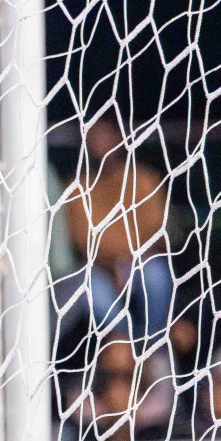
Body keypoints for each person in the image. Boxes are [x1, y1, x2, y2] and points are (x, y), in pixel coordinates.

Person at [59, 115, 174, 345]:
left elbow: (157, 230)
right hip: (100, 268)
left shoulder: (143, 179)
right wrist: (111, 267)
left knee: (157, 277)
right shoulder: (77, 189)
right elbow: (82, 240)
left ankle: (154, 345)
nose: (101, 143)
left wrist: (129, 261)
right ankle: (125, 345)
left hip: (142, 261)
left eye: (106, 135)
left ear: (120, 138)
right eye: (94, 136)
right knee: (89, 287)